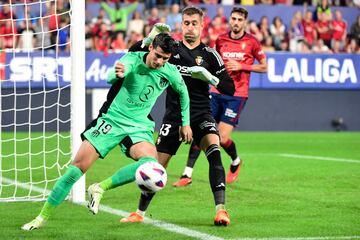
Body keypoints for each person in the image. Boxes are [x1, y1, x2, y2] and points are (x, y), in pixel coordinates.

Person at [21, 33, 193, 231]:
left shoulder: (169, 71)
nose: (160, 62)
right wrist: (118, 74)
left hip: (139, 126)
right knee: (76, 168)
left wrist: (185, 123)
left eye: (165, 58)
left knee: (151, 165)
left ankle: (99, 187)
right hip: (112, 121)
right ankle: (40, 217)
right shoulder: (132, 59)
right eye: (158, 56)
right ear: (152, 47)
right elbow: (111, 76)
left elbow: (183, 93)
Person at [88, 6, 235, 226]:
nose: (190, 28)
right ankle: (139, 212)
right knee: (155, 168)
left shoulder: (210, 55)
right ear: (181, 24)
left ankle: (221, 210)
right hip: (174, 117)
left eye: (194, 23)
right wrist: (149, 38)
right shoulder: (170, 49)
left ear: (202, 26)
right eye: (186, 23)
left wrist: (209, 78)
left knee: (214, 152)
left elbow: (230, 88)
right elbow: (136, 51)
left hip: (201, 113)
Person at [173, 7, 267, 186]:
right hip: (216, 92)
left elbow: (264, 67)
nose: (236, 22)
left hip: (237, 94)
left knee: (222, 138)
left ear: (245, 22)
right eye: (233, 19)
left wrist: (242, 67)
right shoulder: (221, 40)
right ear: (229, 20)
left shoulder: (252, 42)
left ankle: (236, 161)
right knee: (201, 130)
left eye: (240, 19)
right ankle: (187, 174)